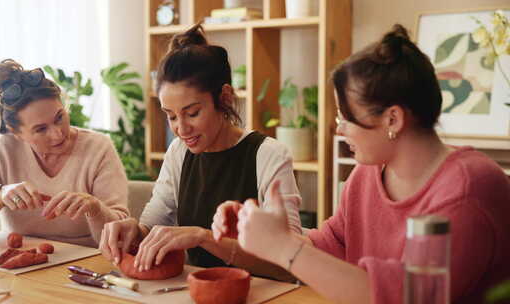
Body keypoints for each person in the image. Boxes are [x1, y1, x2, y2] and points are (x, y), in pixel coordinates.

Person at [213, 24, 510, 304]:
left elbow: (407, 296)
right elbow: (332, 246)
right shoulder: (367, 173)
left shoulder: (469, 191)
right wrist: (262, 234)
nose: (338, 129)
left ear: (392, 118)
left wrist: (282, 246)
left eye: (346, 117)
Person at [98, 23, 302, 280]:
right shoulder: (179, 152)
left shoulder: (268, 155)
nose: (181, 129)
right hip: (194, 291)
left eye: (192, 113)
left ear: (225, 98)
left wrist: (204, 238)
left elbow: (291, 261)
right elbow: (153, 223)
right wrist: (133, 231)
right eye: (170, 116)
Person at [0, 59, 130, 247]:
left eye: (60, 117)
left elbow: (122, 238)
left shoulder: (98, 148)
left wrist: (95, 209)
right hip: (19, 267)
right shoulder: (4, 151)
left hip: (86, 263)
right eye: (41, 129)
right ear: (16, 133)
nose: (58, 134)